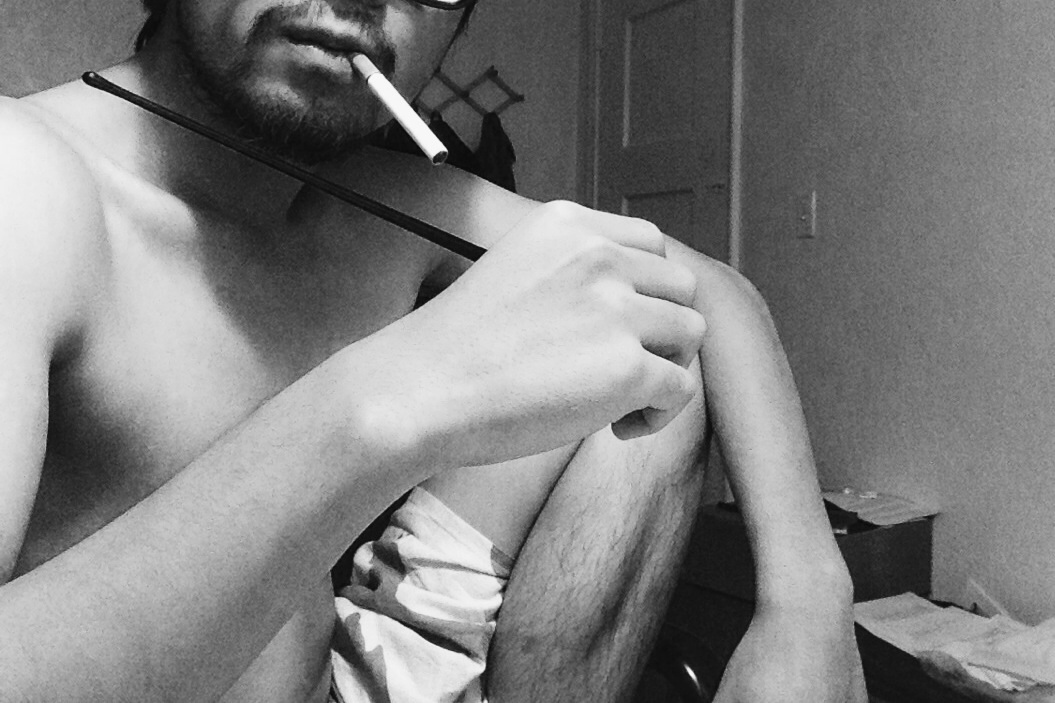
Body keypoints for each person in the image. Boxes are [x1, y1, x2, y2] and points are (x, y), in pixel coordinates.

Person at [0, 0, 866, 700]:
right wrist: (381, 404)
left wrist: (806, 608)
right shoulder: (27, 184)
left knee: (653, 355)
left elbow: (707, 288)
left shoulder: (376, 202)